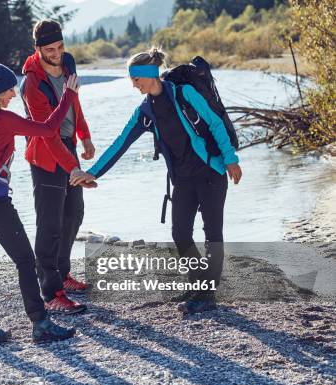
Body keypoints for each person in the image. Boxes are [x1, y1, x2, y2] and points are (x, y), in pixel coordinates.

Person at [71, 48, 243, 314]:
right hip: (183, 180)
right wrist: (93, 173)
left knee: (213, 234)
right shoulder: (145, 110)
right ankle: (200, 283)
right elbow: (121, 141)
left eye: (135, 80)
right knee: (180, 233)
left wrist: (231, 160)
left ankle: (207, 293)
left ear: (148, 75)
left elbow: (215, 123)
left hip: (211, 172)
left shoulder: (184, 94)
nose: (133, 85)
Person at [0, 63, 80, 346]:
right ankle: (41, 324)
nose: (14, 93)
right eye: (10, 89)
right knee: (26, 261)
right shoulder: (1, 119)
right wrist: (68, 95)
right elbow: (48, 128)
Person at [20, 19, 95, 314]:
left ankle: (63, 274)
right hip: (45, 154)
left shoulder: (67, 65)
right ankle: (51, 291)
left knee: (74, 213)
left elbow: (75, 105)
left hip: (69, 148)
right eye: (50, 49)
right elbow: (46, 133)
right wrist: (72, 167)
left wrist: (84, 136)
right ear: (37, 49)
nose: (56, 53)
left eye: (60, 47)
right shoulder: (31, 84)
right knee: (50, 223)